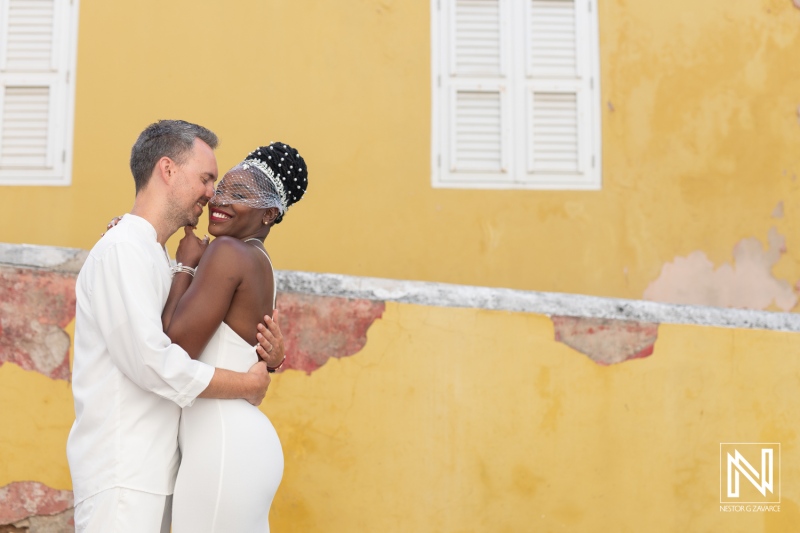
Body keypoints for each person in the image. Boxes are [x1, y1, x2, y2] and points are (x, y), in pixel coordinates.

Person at [67, 120, 286, 533]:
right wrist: (247, 384)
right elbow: (153, 361)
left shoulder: (151, 255)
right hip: (124, 476)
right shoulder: (124, 251)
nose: (212, 194)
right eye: (206, 179)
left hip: (160, 471)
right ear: (167, 170)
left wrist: (272, 357)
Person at [163, 143, 308, 532]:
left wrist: (185, 266)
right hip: (237, 440)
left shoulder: (227, 252)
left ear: (270, 213)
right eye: (222, 188)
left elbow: (172, 348)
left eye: (240, 196)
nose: (220, 200)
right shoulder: (259, 262)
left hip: (222, 442)